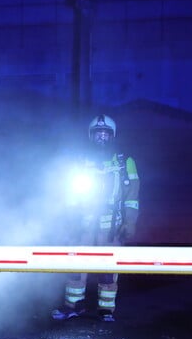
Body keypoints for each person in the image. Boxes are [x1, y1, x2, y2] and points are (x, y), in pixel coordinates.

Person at [52, 114, 140, 322]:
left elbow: (132, 197)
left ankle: (106, 310)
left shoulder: (125, 161)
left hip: (111, 225)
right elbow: (66, 193)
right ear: (90, 136)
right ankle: (73, 306)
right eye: (97, 134)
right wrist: (67, 220)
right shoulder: (78, 160)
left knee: (108, 269)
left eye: (105, 134)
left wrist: (129, 222)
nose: (101, 138)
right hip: (82, 223)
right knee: (75, 266)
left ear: (113, 136)